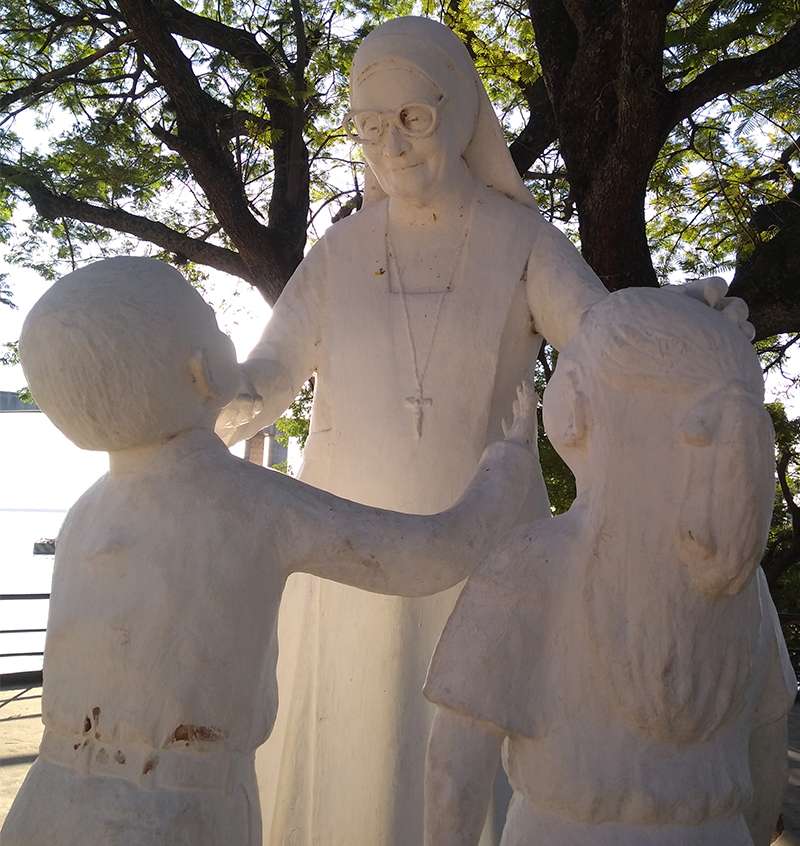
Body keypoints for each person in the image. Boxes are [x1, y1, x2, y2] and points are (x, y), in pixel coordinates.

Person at [217, 17, 753, 846]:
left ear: (459, 111)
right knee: (356, 743)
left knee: (469, 739)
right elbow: (265, 378)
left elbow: (608, 340)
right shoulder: (338, 253)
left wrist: (678, 320)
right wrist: (184, 408)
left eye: (413, 119)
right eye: (368, 127)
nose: (390, 146)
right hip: (351, 559)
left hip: (488, 562)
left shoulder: (523, 241)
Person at [1, 256, 540, 846]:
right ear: (202, 370)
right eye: (214, 323)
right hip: (177, 809)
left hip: (47, 798)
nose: (231, 335)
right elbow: (427, 556)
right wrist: (505, 471)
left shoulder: (87, 511)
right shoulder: (247, 502)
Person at [424, 289, 797, 846]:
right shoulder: (745, 590)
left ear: (577, 409)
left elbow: (454, 777)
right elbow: (767, 756)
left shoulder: (531, 564)